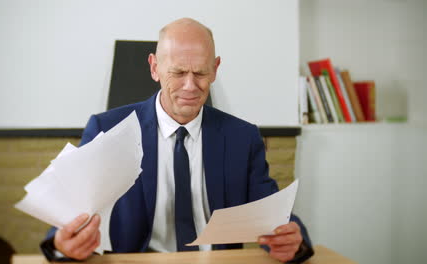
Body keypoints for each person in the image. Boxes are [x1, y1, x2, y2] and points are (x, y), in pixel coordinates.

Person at [41, 18, 314, 263]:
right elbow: (72, 213)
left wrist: (292, 240)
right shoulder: (106, 128)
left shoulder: (242, 137)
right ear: (155, 67)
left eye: (201, 73)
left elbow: (272, 214)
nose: (190, 86)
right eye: (178, 72)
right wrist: (62, 245)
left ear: (216, 69)